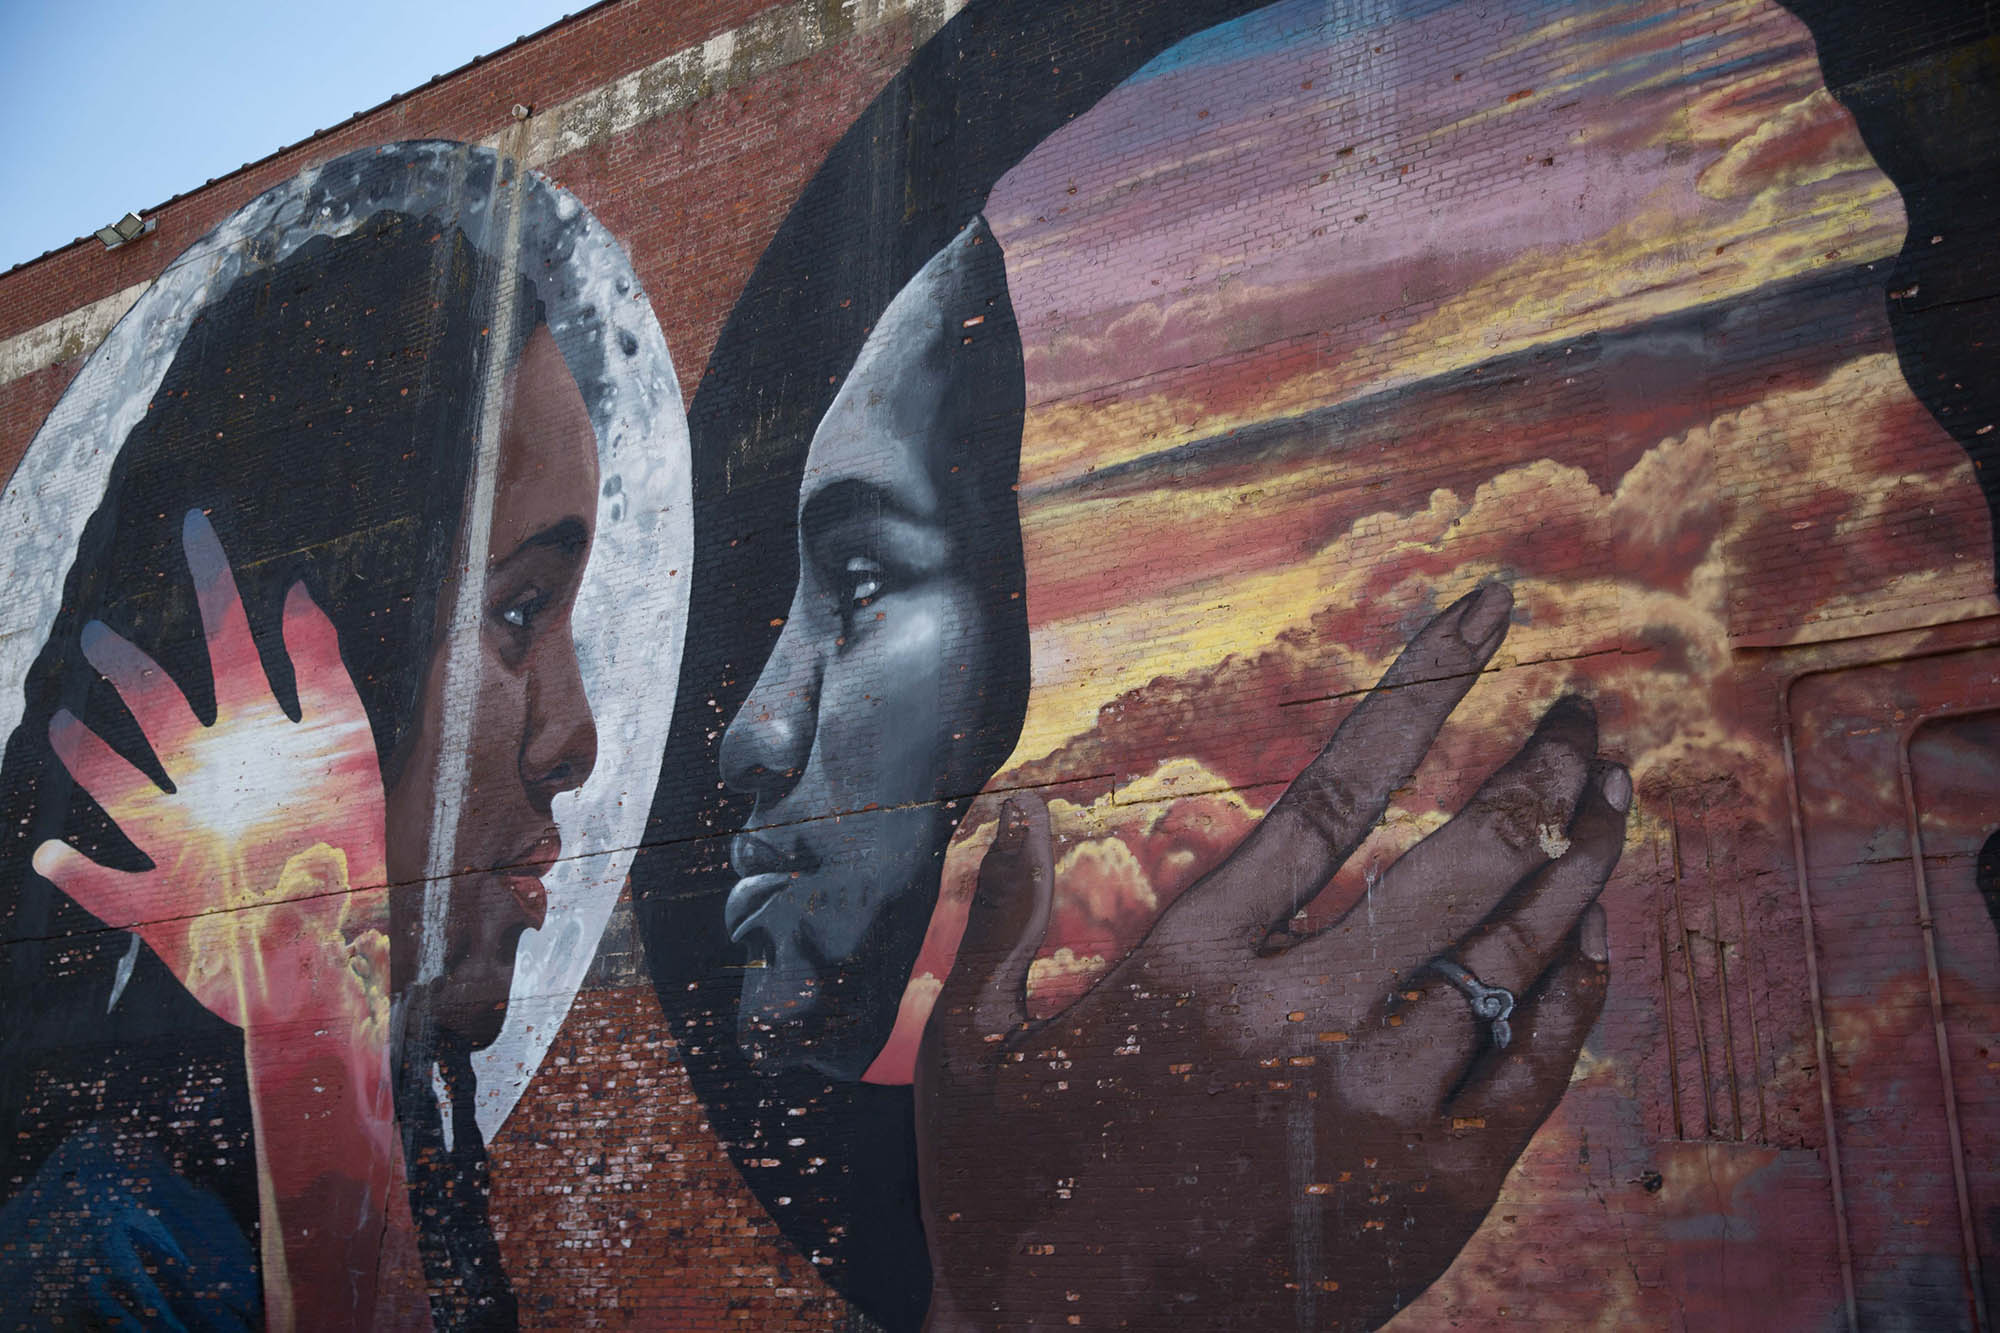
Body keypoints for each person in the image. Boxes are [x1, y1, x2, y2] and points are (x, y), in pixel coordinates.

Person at [0, 138, 682, 1329]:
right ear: (292, 677)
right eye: (518, 610)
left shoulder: (414, 1180)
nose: (573, 737)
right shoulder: (109, 1258)